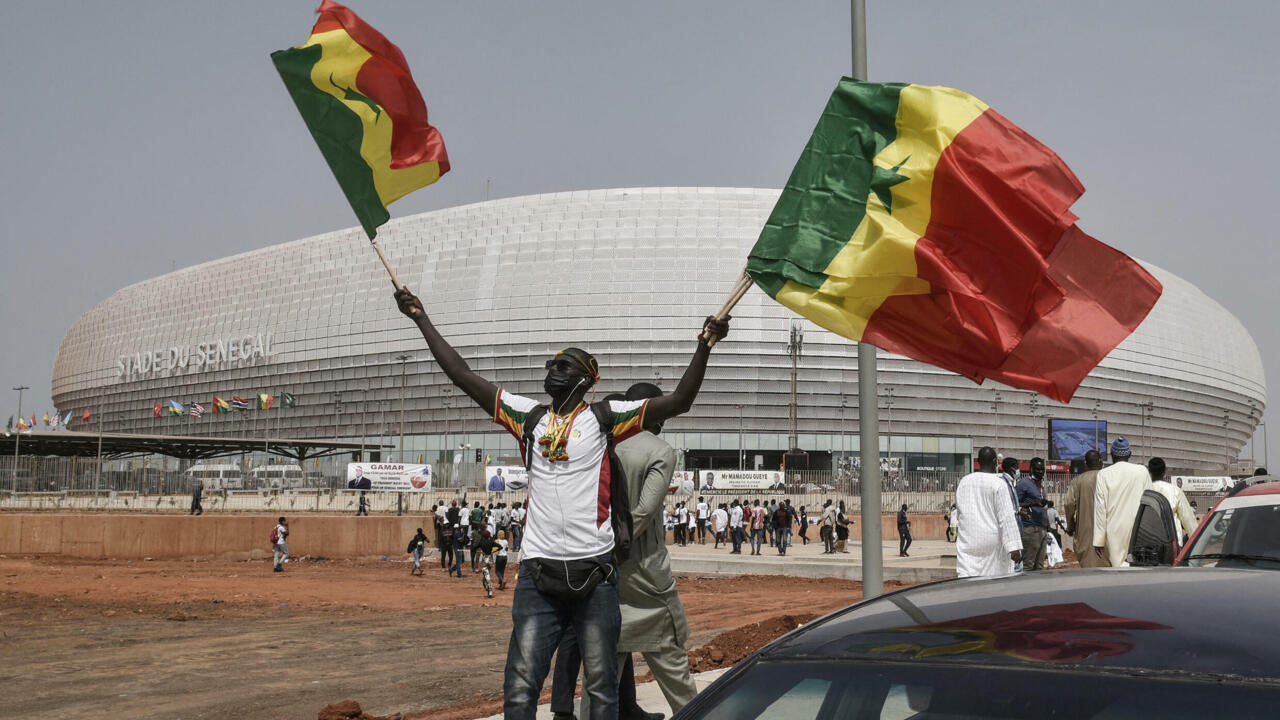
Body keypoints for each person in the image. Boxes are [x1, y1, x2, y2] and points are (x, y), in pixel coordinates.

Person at [394, 285, 729, 720]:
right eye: (552, 364)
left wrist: (705, 344)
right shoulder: (528, 418)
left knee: (603, 688)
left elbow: (680, 400)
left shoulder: (605, 418)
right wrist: (421, 318)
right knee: (520, 688)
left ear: (586, 378)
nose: (552, 370)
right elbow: (463, 375)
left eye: (563, 366)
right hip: (538, 576)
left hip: (596, 578)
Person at [612, 382, 699, 718]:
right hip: (647, 576)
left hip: (606, 576)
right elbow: (644, 512)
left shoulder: (606, 446)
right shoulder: (660, 450)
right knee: (674, 670)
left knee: (602, 678)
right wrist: (617, 543)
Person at [954, 447, 1023, 577]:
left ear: (978, 461)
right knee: (994, 585)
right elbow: (1006, 517)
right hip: (992, 544)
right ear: (995, 461)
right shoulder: (998, 484)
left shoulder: (964, 482)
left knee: (968, 582)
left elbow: (960, 513)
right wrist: (1014, 547)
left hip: (969, 542)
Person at [1092, 437, 1152, 567]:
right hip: (1139, 529)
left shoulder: (1104, 474)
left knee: (1118, 571)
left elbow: (1100, 509)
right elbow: (1150, 503)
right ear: (1129, 454)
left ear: (1112, 455)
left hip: (1114, 531)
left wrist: (1099, 541)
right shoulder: (1142, 472)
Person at [1063, 450, 1107, 567]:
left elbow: (1068, 504)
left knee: (1089, 571)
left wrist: (1071, 526)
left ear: (1086, 464)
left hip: (1085, 534)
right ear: (1101, 462)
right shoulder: (1109, 478)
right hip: (1107, 532)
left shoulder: (1077, 481)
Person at [1148, 457, 1198, 543]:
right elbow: (1188, 520)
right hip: (1173, 544)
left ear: (1149, 472)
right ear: (1164, 471)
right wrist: (1196, 542)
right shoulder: (1175, 491)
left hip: (1149, 542)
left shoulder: (1144, 491)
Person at [1016, 458, 1050, 571]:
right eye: (1038, 469)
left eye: (1042, 470)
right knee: (1028, 565)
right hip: (1030, 528)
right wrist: (1033, 503)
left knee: (1039, 565)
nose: (1041, 472)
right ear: (1031, 469)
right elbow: (1014, 503)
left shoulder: (1040, 485)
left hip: (1042, 528)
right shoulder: (1023, 484)